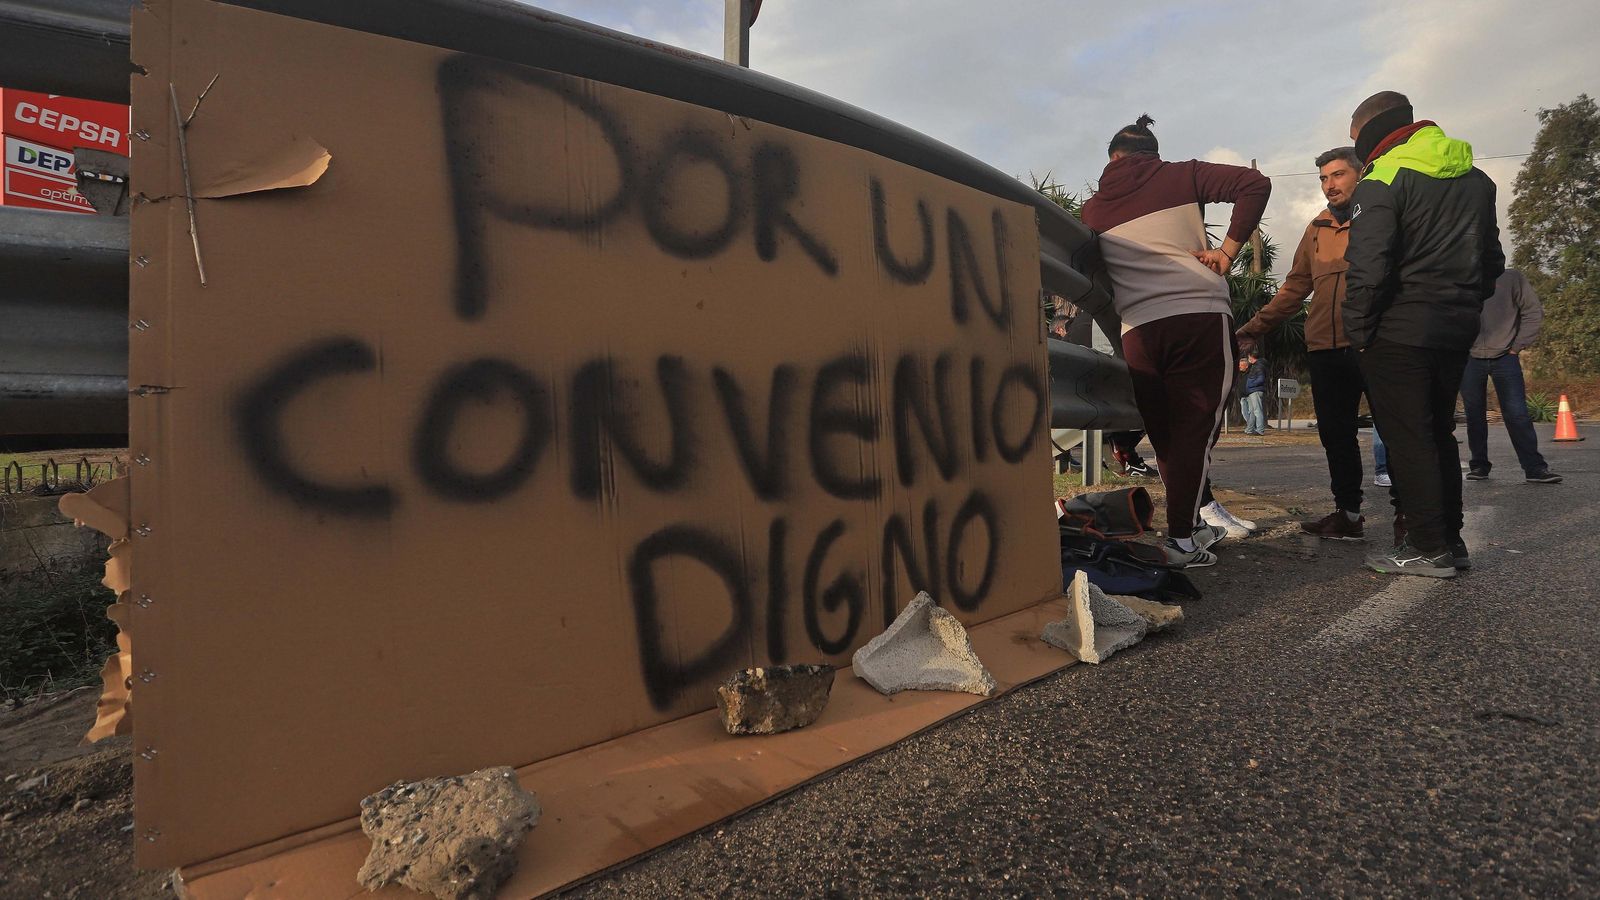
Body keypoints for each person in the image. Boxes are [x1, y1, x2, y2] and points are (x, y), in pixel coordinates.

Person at [1081, 114, 1271, 567]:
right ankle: (1183, 540)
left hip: (1138, 333)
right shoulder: (1179, 174)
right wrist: (1226, 252)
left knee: (1166, 437)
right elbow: (1254, 184)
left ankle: (1191, 529)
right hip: (1197, 317)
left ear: (1112, 158)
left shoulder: (1092, 211)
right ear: (1152, 153)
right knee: (1195, 434)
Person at [1343, 91, 1505, 577]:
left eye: (1355, 142)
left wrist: (1359, 333)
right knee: (1436, 434)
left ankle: (1427, 546)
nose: (1357, 153)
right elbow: (1492, 262)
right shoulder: (1477, 178)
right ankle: (1449, 542)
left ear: (1370, 130)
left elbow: (1368, 269)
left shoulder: (1383, 177)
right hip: (1456, 327)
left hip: (1398, 329)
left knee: (1408, 438)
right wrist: (1464, 303)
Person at [1240, 147, 1381, 541]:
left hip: (1374, 343)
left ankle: (1410, 516)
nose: (1329, 185)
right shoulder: (1316, 227)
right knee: (1336, 436)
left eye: (1337, 175)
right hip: (1323, 346)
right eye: (1323, 178)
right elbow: (1294, 288)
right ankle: (1348, 514)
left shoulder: (1379, 217)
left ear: (1360, 173)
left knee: (1396, 432)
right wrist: (1254, 327)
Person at [1461, 269, 1563, 484]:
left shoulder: (1511, 278)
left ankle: (1534, 468)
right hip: (1469, 357)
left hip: (1506, 356)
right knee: (1474, 414)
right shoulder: (1460, 276)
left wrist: (1517, 346)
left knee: (1517, 414)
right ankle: (1479, 466)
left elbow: (1533, 311)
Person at [1238, 353, 1267, 435]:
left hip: (1255, 391)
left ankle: (1260, 429)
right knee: (1253, 412)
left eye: (1249, 357)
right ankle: (1250, 429)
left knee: (1256, 411)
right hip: (1250, 392)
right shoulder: (1255, 366)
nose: (1248, 358)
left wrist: (1250, 384)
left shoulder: (1258, 366)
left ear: (1252, 357)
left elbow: (1261, 379)